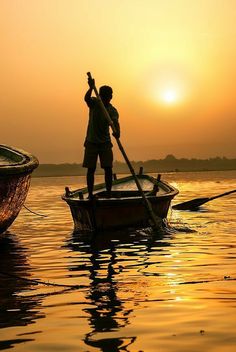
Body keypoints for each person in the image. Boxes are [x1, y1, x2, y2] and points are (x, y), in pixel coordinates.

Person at [83, 76, 120, 199]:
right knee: (91, 169)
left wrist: (117, 132)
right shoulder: (94, 103)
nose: (108, 97)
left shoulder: (112, 110)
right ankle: (90, 194)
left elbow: (115, 122)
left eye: (109, 95)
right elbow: (86, 98)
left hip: (105, 143)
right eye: (105, 95)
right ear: (102, 96)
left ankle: (109, 193)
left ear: (111, 97)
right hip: (91, 142)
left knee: (108, 168)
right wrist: (90, 88)